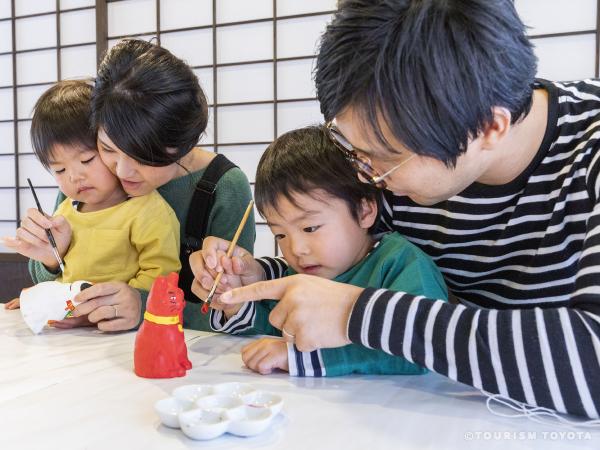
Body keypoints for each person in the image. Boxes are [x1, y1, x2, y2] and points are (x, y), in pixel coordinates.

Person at [191, 0, 600, 418]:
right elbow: (349, 264)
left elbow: (592, 363)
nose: (365, 174)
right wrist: (257, 277)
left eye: (385, 158)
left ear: (489, 128)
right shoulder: (381, 162)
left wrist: (354, 313)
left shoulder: (591, 149)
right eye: (354, 149)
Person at [21, 39, 255, 332]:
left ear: (184, 144)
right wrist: (50, 261)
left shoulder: (223, 187)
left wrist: (144, 305)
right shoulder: (87, 180)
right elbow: (54, 277)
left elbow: (236, 312)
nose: (121, 170)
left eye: (142, 157)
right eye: (107, 148)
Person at [210, 126, 447, 376]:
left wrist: (302, 358)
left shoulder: (402, 265)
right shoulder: (304, 272)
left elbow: (422, 350)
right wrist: (234, 306)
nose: (296, 249)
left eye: (310, 228)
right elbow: (276, 328)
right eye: (280, 235)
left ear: (365, 211)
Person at [2, 80, 181, 313]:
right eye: (59, 170)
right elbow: (64, 278)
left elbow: (161, 276)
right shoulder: (66, 210)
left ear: (112, 148)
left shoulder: (147, 209)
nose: (75, 177)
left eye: (87, 160)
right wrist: (42, 299)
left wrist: (119, 305)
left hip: (119, 324)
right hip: (71, 323)